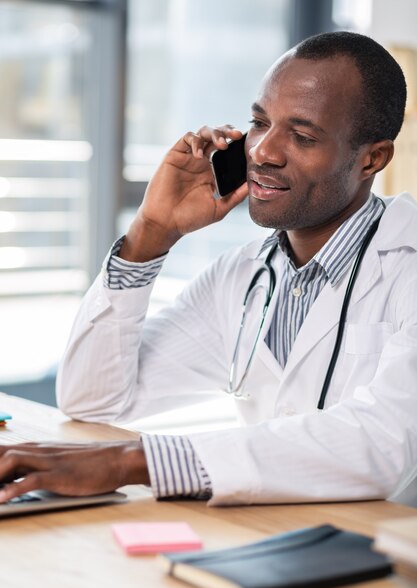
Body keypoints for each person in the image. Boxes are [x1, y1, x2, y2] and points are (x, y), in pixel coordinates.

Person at [1, 31, 416, 508]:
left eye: (302, 136)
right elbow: (95, 400)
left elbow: (381, 445)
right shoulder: (241, 276)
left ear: (372, 159)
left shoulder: (407, 268)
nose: (263, 152)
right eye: (259, 122)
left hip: (388, 563)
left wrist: (132, 462)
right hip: (268, 544)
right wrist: (151, 234)